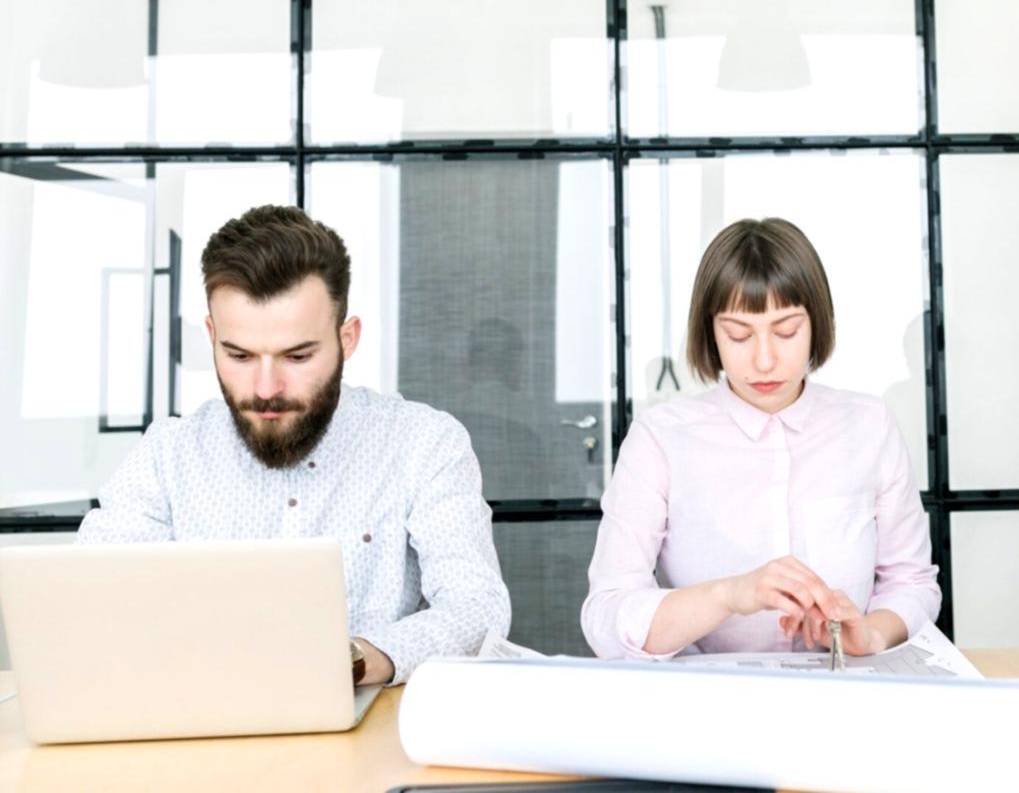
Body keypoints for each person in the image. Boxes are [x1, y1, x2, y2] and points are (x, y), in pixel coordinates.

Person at [77, 205, 512, 684]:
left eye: (297, 356)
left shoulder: (423, 444)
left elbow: (477, 608)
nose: (265, 388)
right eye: (239, 355)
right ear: (212, 336)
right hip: (195, 723)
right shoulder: (167, 455)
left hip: (370, 726)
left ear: (347, 339)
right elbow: (93, 600)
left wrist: (348, 662)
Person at [582, 218, 940, 660]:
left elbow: (913, 583)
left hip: (841, 693)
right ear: (710, 332)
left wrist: (872, 634)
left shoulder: (868, 426)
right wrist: (730, 595)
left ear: (817, 324)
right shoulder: (662, 438)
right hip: (709, 705)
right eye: (738, 335)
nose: (765, 359)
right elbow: (606, 617)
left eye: (787, 331)